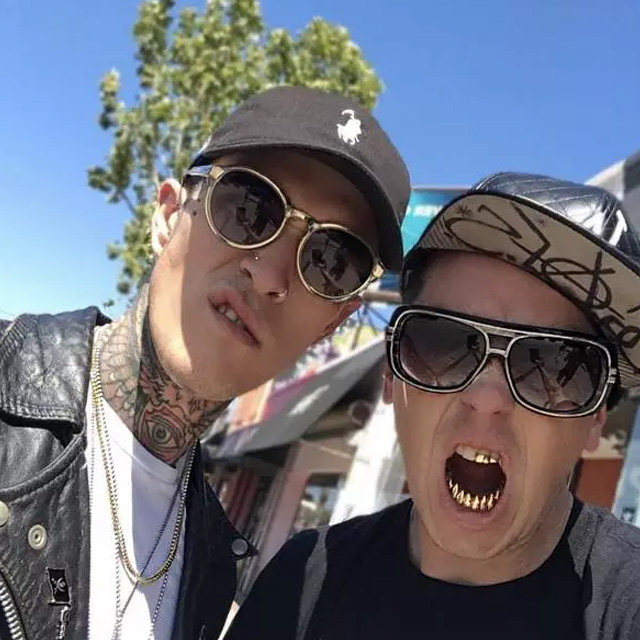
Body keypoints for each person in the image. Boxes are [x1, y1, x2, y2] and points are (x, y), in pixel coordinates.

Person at [0, 86, 409, 640]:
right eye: (251, 207)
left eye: (330, 261)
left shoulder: (214, 564)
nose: (268, 276)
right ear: (168, 215)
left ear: (333, 324)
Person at [226, 172, 640, 640]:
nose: (486, 398)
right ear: (390, 372)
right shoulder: (300, 583)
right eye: (442, 343)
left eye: (553, 365)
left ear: (595, 417)